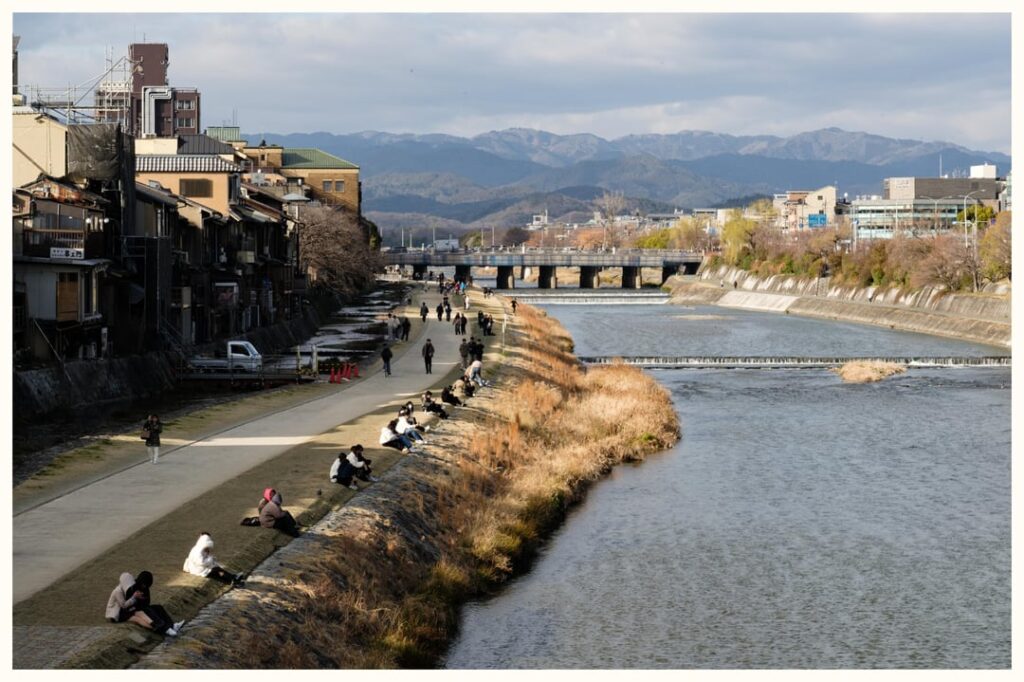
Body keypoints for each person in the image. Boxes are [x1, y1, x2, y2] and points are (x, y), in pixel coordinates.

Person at [106, 571, 184, 636]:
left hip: (135, 607)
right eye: (144, 585)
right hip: (122, 612)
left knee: (158, 608)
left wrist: (142, 599)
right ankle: (164, 629)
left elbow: (146, 601)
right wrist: (135, 597)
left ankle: (171, 626)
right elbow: (124, 605)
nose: (144, 587)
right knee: (143, 615)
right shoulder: (120, 591)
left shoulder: (140, 586)